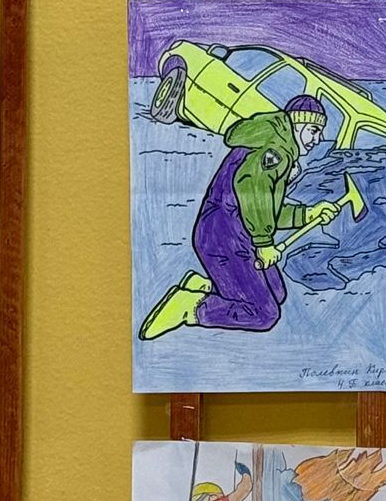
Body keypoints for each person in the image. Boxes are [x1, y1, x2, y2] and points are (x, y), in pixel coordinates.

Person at [139, 94, 341, 340]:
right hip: (222, 238)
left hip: (238, 233)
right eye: (313, 130)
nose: (318, 139)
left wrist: (308, 214)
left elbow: (267, 208)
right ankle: (189, 307)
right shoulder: (277, 150)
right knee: (263, 313)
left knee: (276, 292)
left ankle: (204, 286)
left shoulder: (278, 144)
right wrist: (264, 243)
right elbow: (250, 189)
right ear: (297, 124)